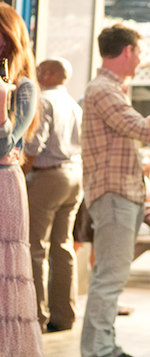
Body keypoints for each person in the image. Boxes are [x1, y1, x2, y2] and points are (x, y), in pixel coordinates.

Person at [80, 24, 150, 357]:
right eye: (139, 52)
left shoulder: (110, 88)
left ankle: (103, 346)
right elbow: (145, 130)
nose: (141, 60)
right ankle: (99, 350)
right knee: (110, 277)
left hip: (118, 193)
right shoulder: (103, 89)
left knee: (109, 275)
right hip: (114, 194)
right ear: (127, 51)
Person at [22, 58, 83, 333]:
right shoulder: (72, 104)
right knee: (63, 246)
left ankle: (37, 316)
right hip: (74, 175)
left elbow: (34, 144)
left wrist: (20, 173)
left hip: (47, 178)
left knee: (36, 248)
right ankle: (65, 315)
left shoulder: (44, 101)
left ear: (47, 73)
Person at [0, 1, 43, 356]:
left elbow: (5, 144)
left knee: (6, 270)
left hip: (5, 186)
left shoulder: (23, 87)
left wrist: (1, 104)